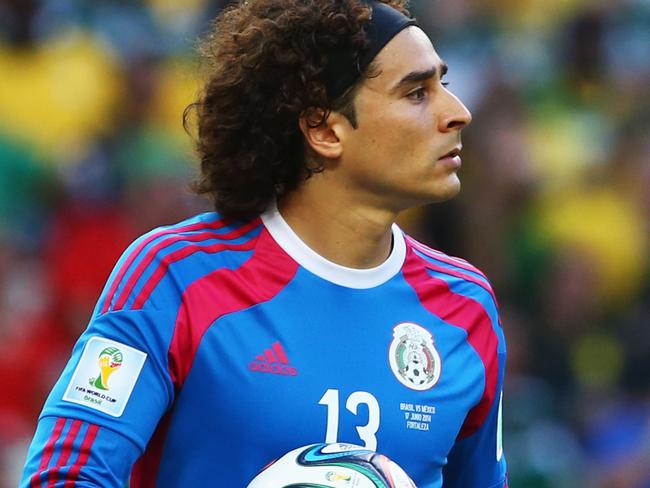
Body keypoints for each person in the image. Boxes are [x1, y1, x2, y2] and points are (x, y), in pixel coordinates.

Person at [20, 0, 507, 486]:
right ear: (325, 130)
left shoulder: (465, 307)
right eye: (417, 93)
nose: (457, 112)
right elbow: (64, 476)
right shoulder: (176, 276)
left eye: (443, 84)